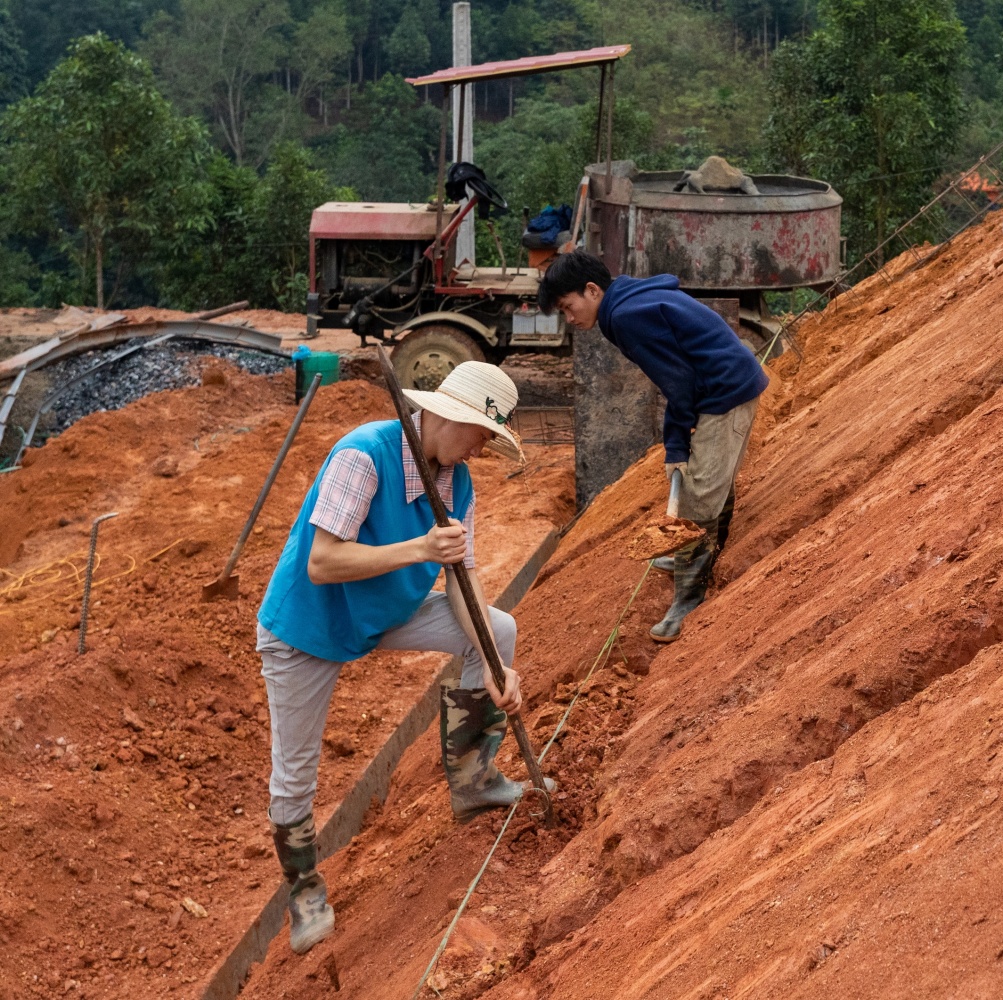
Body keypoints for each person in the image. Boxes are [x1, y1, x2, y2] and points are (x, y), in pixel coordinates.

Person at [255, 361, 547, 955]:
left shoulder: (457, 483)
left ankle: (472, 777)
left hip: (383, 613)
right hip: (307, 626)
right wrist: (418, 547)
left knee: (498, 629)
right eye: (482, 435)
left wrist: (495, 666)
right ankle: (305, 890)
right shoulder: (363, 455)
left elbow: (462, 578)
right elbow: (323, 563)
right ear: (447, 416)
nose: (482, 449)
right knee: (295, 772)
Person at [539, 250, 768, 642]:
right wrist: (678, 443)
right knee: (711, 479)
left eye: (568, 306)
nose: (570, 319)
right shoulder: (626, 303)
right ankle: (697, 553)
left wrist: (676, 446)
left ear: (592, 290)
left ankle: (688, 597)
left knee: (698, 494)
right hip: (722, 384)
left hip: (726, 392)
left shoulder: (627, 317)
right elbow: (680, 376)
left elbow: (678, 383)